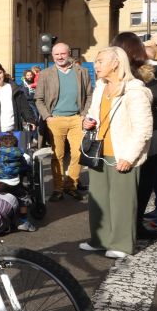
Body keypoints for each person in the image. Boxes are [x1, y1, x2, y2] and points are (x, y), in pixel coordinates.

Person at [80, 47, 152, 259]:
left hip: (122, 153)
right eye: (96, 61)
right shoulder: (101, 87)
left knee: (122, 201)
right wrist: (88, 122)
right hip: (99, 152)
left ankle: (121, 244)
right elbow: (94, 114)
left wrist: (129, 157)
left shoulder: (135, 91)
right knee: (98, 200)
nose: (96, 65)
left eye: (101, 61)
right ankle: (99, 240)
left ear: (116, 63)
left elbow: (143, 129)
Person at [111, 32, 157, 239]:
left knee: (143, 184)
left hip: (149, 135)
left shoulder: (148, 72)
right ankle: (128, 227)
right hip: (128, 135)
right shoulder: (114, 74)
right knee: (132, 186)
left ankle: (135, 226)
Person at [34, 42, 93, 201]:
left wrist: (84, 114)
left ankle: (71, 185)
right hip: (56, 120)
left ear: (69, 54)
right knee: (57, 155)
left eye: (63, 54)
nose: (60, 57)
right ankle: (58, 188)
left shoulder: (82, 72)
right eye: (56, 54)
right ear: (52, 56)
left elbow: (89, 96)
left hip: (76, 119)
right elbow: (38, 99)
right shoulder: (46, 74)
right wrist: (48, 117)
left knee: (79, 153)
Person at [0, 134, 36, 232]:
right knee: (23, 199)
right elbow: (25, 167)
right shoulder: (20, 156)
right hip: (15, 184)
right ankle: (24, 220)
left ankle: (6, 221)